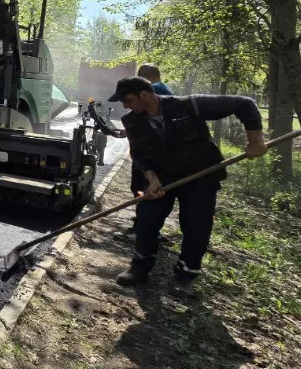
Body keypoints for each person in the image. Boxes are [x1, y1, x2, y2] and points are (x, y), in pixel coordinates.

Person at [108, 76, 266, 295]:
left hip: (200, 175)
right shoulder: (132, 120)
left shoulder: (188, 105)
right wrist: (151, 179)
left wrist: (255, 141)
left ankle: (185, 276)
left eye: (128, 100)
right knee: (147, 218)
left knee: (197, 226)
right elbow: (139, 154)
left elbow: (244, 104)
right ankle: (140, 267)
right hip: (162, 178)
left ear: (144, 95)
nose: (125, 106)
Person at [120, 64, 174, 240]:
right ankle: (147, 230)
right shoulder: (166, 89)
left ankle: (141, 231)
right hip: (158, 154)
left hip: (149, 155)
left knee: (143, 191)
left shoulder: (154, 91)